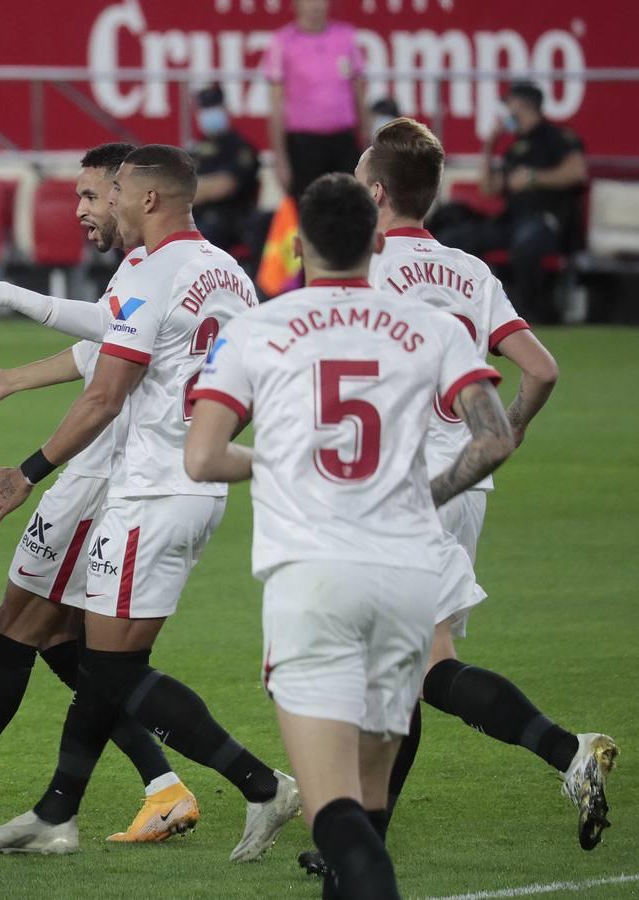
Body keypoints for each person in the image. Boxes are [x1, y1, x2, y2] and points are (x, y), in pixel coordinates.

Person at [0, 145, 301, 860]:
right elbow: (239, 378)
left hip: (151, 489)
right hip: (187, 484)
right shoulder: (227, 273)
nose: (102, 203)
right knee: (95, 660)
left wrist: (28, 471)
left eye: (112, 190)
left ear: (147, 199)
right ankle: (57, 813)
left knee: (111, 672)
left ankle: (263, 785)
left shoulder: (157, 268)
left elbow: (106, 393)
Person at [184, 172, 516, 899]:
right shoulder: (432, 327)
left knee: (331, 811)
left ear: (297, 245)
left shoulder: (258, 327)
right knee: (370, 803)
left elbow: (203, 456)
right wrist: (424, 492)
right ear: (375, 239)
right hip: (406, 577)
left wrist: (274, 462)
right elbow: (493, 439)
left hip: (312, 576)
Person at [0, 143, 200, 846]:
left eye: (95, 194)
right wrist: (12, 379)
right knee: (48, 633)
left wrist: (28, 468)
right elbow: (108, 342)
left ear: (132, 192)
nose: (87, 210)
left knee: (25, 627)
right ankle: (161, 785)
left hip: (105, 476)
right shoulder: (180, 268)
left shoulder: (155, 263)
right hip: (142, 475)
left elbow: (109, 372)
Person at [347, 118, 613, 856]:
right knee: (401, 671)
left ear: (374, 191)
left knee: (420, 670)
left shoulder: (363, 264)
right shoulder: (468, 270)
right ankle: (366, 835)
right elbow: (542, 369)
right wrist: (510, 434)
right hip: (467, 484)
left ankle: (567, 752)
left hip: (399, 491)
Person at [434, 82, 588, 323]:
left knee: (525, 246)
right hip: (511, 221)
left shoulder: (556, 137)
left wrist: (536, 178)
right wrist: (489, 146)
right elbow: (488, 189)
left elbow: (578, 171)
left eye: (510, 104)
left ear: (525, 105)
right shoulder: (514, 148)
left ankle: (527, 314)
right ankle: (464, 310)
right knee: (455, 240)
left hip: (545, 220)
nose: (507, 111)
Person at [263, 0, 368, 200]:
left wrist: (366, 140)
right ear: (296, 5)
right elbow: (276, 106)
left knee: (349, 207)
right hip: (304, 145)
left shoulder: (345, 37)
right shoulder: (283, 42)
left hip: (344, 141)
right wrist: (280, 159)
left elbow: (359, 94)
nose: (316, 6)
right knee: (308, 210)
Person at [190, 83, 262, 254]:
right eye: (205, 108)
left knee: (203, 235)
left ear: (225, 109)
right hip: (197, 219)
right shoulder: (196, 149)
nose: (209, 113)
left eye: (214, 107)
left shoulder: (240, 148)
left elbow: (223, 186)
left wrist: (186, 190)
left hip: (230, 223)